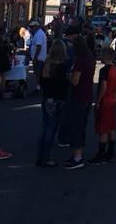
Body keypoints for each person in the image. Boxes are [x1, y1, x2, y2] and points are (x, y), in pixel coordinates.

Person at [64, 34, 96, 170]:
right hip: (87, 94)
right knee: (80, 126)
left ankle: (77, 157)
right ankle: (77, 155)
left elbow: (75, 81)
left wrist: (68, 76)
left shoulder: (80, 61)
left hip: (79, 96)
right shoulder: (89, 58)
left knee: (76, 126)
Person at [36, 39, 69, 167]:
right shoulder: (61, 66)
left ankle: (41, 156)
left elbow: (42, 82)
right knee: (51, 128)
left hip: (46, 98)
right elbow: (62, 86)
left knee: (44, 127)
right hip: (56, 99)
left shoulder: (47, 64)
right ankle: (46, 158)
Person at [89, 47, 116, 165]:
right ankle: (111, 152)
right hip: (113, 99)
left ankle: (101, 154)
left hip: (105, 100)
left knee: (103, 129)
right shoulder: (115, 69)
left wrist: (98, 100)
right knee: (111, 126)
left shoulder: (104, 70)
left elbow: (103, 86)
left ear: (105, 56)